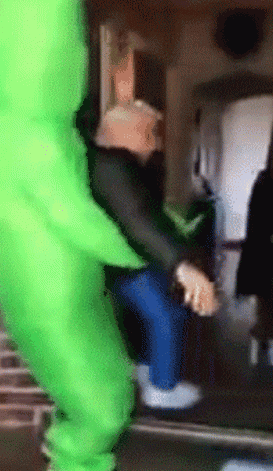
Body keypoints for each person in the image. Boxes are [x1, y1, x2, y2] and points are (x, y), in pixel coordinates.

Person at [0, 0, 216, 471]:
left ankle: (77, 442)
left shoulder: (48, 136)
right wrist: (163, 261)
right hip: (63, 288)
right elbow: (89, 218)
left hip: (80, 285)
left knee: (101, 382)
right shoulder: (37, 144)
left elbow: (115, 201)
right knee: (103, 406)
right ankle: (78, 452)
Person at [87, 100, 219, 409]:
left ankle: (150, 372)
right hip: (125, 264)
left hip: (131, 260)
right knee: (165, 315)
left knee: (159, 314)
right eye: (148, 134)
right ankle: (162, 387)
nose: (155, 144)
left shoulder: (118, 166)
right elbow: (138, 221)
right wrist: (181, 265)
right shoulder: (112, 168)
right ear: (123, 133)